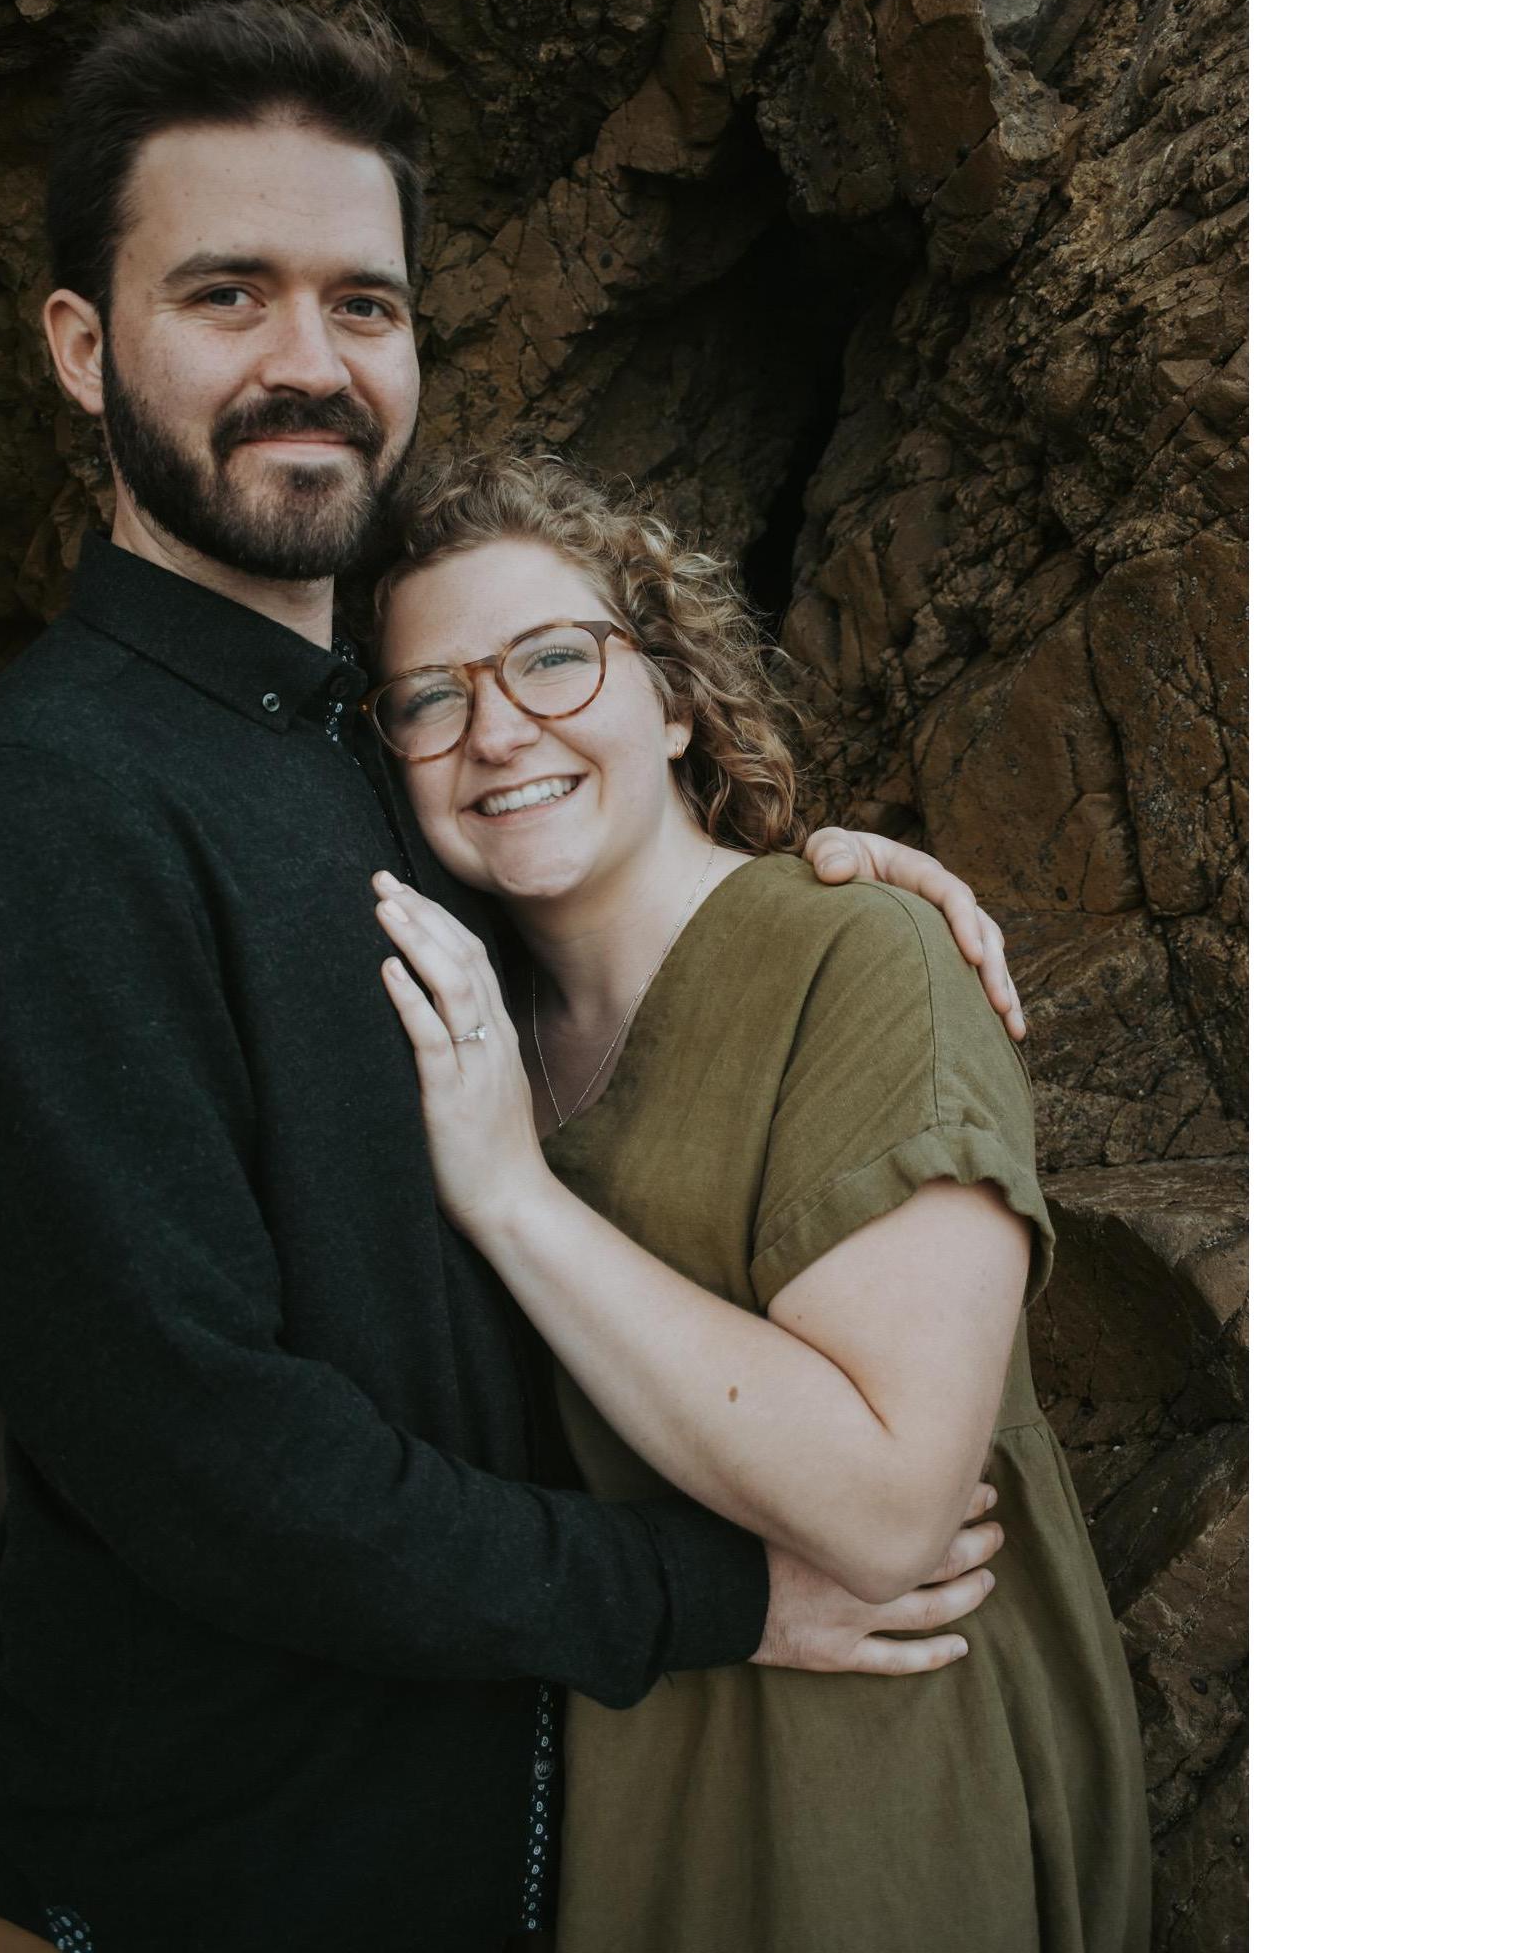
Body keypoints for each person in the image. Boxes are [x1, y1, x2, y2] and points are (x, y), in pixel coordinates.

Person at [0, 1, 1027, 1953]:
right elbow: (214, 1462)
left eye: (363, 303)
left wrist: (818, 892)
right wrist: (717, 1595)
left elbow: (590, 927)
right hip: (189, 1873)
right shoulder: (37, 811)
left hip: (490, 1831)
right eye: (227, 296)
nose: (306, 365)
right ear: (84, 348)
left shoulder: (388, 741)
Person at [367, 454, 1151, 1952]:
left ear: (669, 699)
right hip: (615, 1773)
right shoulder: (457, 1028)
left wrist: (509, 1198)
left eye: (551, 657)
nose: (496, 728)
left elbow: (888, 1502)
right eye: (429, 698)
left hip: (868, 1784)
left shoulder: (864, 961)